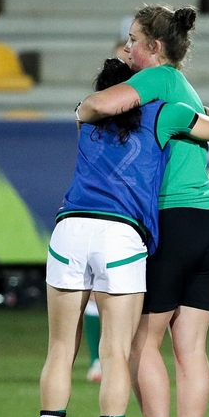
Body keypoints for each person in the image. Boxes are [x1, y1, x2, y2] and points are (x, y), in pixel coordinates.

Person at [39, 57, 209, 417]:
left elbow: (91, 107)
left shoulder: (86, 117)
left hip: (70, 227)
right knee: (116, 352)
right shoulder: (164, 113)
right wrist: (207, 109)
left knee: (61, 349)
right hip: (122, 232)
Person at [83, 37, 134, 384]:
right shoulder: (96, 115)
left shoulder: (86, 116)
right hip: (120, 221)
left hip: (84, 217)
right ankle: (100, 361)